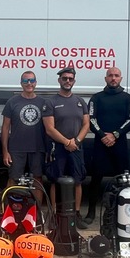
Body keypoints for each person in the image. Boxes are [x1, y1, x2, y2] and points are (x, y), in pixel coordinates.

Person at [84, 67, 130, 225]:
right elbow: (91, 119)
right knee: (95, 178)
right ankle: (91, 211)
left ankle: (120, 212)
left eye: (116, 76)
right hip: (100, 143)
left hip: (119, 143)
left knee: (122, 179)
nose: (113, 78)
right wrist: (102, 135)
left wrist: (115, 135)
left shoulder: (129, 98)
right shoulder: (96, 98)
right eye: (110, 76)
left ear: (121, 78)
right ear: (105, 78)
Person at [42, 67, 90, 226]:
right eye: (64, 78)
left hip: (76, 147)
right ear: (59, 80)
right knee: (56, 180)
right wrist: (66, 142)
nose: (67, 81)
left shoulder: (80, 101)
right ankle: (54, 215)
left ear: (74, 81)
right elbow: (49, 128)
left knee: (78, 181)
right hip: (58, 147)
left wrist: (75, 142)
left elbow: (86, 124)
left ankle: (76, 215)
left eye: (70, 78)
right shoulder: (51, 102)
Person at [1, 71, 47, 202]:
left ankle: (36, 212)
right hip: (16, 149)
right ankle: (8, 211)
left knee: (37, 179)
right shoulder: (12, 102)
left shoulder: (43, 102)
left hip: (38, 148)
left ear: (36, 83)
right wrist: (5, 152)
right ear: (21, 83)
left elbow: (49, 128)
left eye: (32, 80)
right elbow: (5, 127)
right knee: (13, 179)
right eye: (26, 81)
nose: (29, 83)